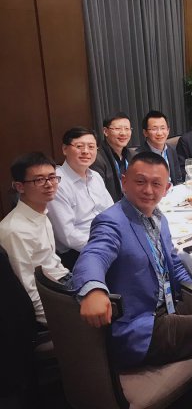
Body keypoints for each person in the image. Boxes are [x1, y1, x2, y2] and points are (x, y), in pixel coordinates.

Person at [73, 152, 192, 368]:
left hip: (167, 307)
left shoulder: (159, 217)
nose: (148, 190)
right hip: (139, 327)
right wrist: (93, 290)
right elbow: (94, 254)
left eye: (156, 184)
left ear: (167, 189)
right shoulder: (111, 221)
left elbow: (174, 264)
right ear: (124, 182)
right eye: (140, 182)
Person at [0, 152, 70, 328]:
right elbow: (27, 289)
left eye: (52, 177)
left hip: (61, 284)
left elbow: (52, 261)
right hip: (48, 303)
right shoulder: (14, 230)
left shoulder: (41, 213)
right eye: (39, 180)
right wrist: (57, 320)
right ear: (20, 186)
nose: (49, 184)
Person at [47, 127, 113, 270]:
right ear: (65, 149)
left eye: (91, 147)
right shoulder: (56, 182)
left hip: (106, 240)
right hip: (78, 252)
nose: (86, 151)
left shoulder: (95, 176)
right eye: (79, 146)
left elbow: (111, 212)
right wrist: (105, 248)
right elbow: (68, 236)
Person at [91, 112, 134, 202]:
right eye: (118, 129)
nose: (123, 133)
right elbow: (99, 194)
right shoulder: (97, 158)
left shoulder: (132, 155)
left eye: (127, 129)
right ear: (106, 131)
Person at [138, 110, 183, 186]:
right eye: (154, 129)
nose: (159, 133)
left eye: (163, 128)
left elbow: (178, 178)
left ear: (168, 131)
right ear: (145, 132)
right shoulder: (139, 156)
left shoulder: (171, 150)